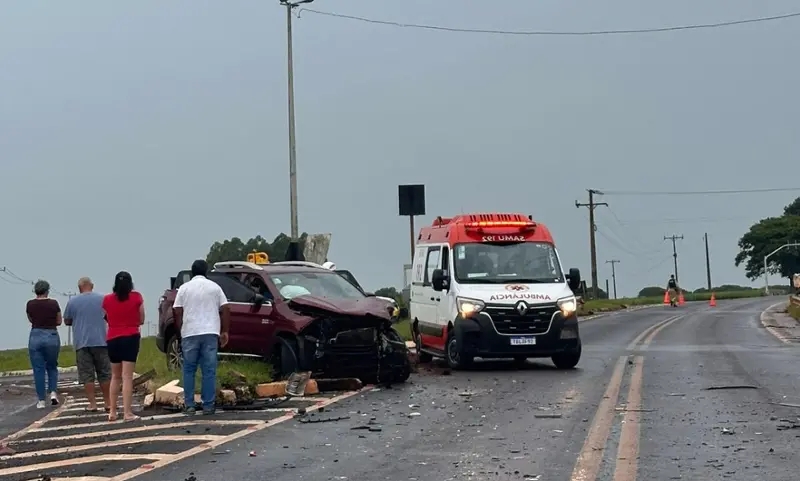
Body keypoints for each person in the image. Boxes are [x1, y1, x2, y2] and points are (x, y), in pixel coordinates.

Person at [173, 260, 230, 416]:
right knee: (209, 370)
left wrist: (180, 332)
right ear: (206, 271)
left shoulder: (184, 289)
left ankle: (190, 404)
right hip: (210, 332)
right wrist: (225, 331)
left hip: (190, 333)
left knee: (189, 370)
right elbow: (225, 308)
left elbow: (177, 311)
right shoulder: (215, 287)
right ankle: (208, 405)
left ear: (191, 272)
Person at [64, 277, 112, 413]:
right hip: (101, 341)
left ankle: (92, 403)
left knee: (87, 375)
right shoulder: (103, 299)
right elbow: (109, 316)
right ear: (92, 285)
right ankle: (108, 402)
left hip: (82, 343)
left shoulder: (72, 302)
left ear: (79, 288)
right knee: (104, 373)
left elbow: (67, 320)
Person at [102, 271, 143, 422]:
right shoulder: (136, 297)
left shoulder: (107, 299)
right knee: (127, 377)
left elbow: (107, 317)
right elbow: (142, 318)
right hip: (130, 337)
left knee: (115, 376)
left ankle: (112, 412)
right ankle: (127, 413)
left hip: (112, 338)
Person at [26, 280, 62, 409]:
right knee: (52, 366)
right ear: (47, 290)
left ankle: (41, 400)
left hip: (35, 335)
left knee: (38, 369)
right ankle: (53, 393)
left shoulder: (30, 304)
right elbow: (59, 321)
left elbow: (30, 319)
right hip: (51, 335)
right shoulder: (53, 303)